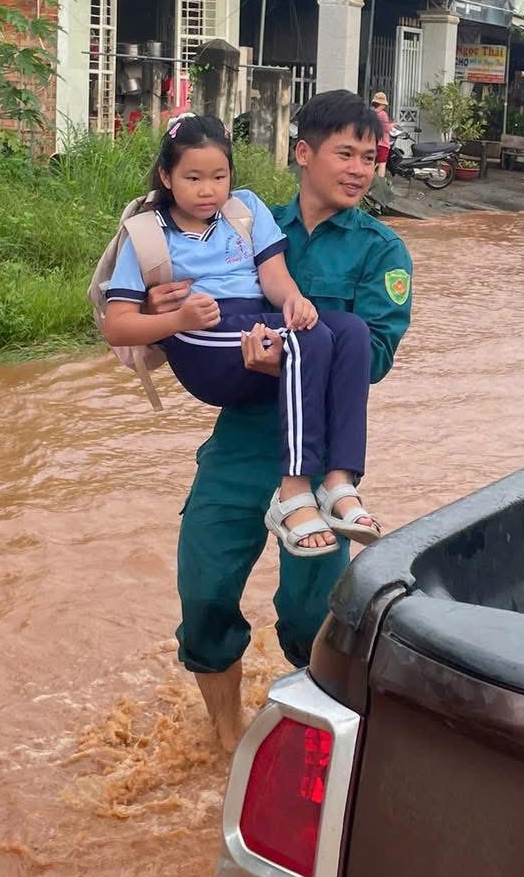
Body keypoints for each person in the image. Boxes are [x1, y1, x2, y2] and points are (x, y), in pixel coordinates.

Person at [144, 91, 413, 753]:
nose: (359, 169)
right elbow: (173, 299)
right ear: (303, 153)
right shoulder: (242, 229)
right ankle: (228, 740)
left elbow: (371, 359)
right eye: (344, 153)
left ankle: (308, 746)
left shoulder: (382, 253)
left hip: (318, 459)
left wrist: (284, 361)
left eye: (369, 156)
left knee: (309, 620)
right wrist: (168, 305)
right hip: (239, 439)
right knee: (203, 599)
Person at [104, 114, 383, 557]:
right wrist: (178, 320)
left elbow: (273, 277)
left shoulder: (246, 209)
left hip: (255, 321)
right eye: (192, 178)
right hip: (203, 338)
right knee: (309, 342)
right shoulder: (146, 233)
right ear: (166, 176)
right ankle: (292, 492)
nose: (207, 190)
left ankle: (339, 480)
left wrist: (292, 301)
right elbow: (116, 323)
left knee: (350, 331)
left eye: (219, 177)